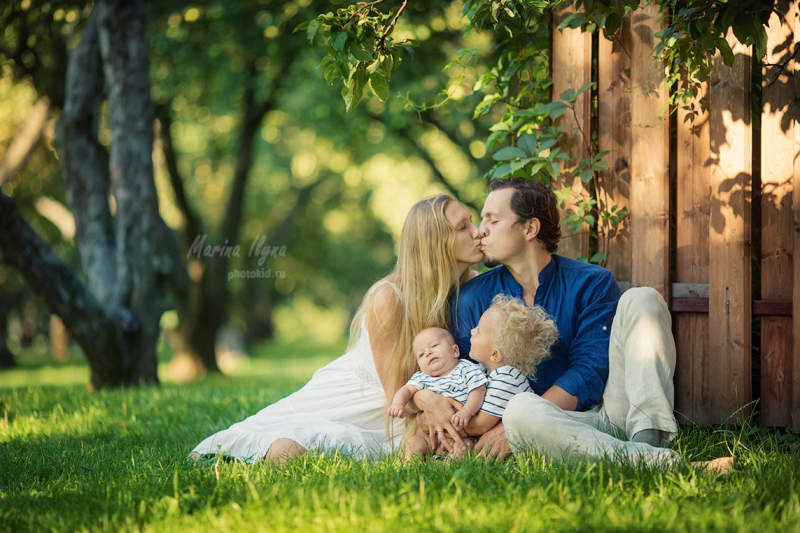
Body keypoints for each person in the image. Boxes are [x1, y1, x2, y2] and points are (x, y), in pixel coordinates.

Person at [413, 178, 734, 473]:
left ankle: (648, 442)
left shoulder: (592, 281)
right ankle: (658, 465)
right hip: (538, 425)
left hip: (604, 414)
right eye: (481, 220)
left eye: (492, 220)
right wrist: (424, 399)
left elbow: (589, 370)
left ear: (530, 228)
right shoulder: (471, 297)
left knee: (643, 299)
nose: (480, 231)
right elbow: (464, 376)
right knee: (521, 409)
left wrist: (508, 431)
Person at [188, 194, 484, 464]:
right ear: (434, 243)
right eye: (463, 228)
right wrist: (425, 399)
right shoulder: (390, 297)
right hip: (368, 400)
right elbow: (395, 394)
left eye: (472, 222)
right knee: (281, 450)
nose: (478, 231)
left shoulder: (475, 287)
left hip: (422, 400)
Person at [388, 327, 487, 459]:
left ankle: (447, 467)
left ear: (455, 351)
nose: (428, 353)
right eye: (421, 354)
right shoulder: (422, 377)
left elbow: (478, 390)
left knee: (464, 447)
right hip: (431, 435)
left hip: (461, 435)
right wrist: (398, 403)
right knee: (413, 443)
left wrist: (466, 412)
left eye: (434, 346)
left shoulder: (466, 369)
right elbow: (406, 390)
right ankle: (410, 465)